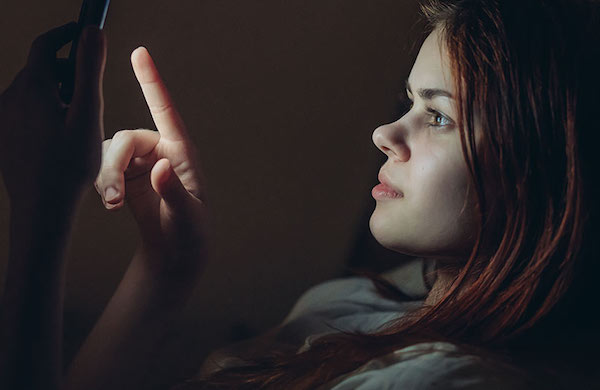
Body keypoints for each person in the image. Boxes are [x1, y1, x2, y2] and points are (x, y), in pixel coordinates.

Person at [0, 0, 599, 389]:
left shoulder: (448, 380)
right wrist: (167, 267)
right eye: (407, 103)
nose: (385, 134)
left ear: (541, 167)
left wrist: (41, 217)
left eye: (438, 117)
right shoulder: (356, 302)